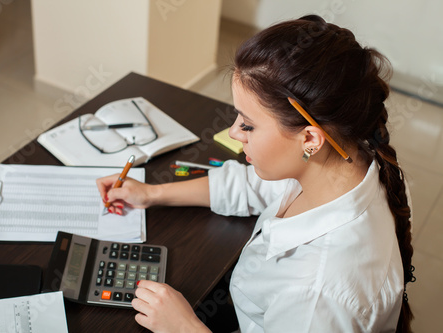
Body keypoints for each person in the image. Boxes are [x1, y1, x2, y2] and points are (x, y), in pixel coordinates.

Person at [96, 15, 415, 333]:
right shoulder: (347, 158)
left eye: (247, 123)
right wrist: (153, 193)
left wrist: (183, 327)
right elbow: (252, 185)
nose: (234, 132)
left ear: (309, 139)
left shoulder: (316, 296)